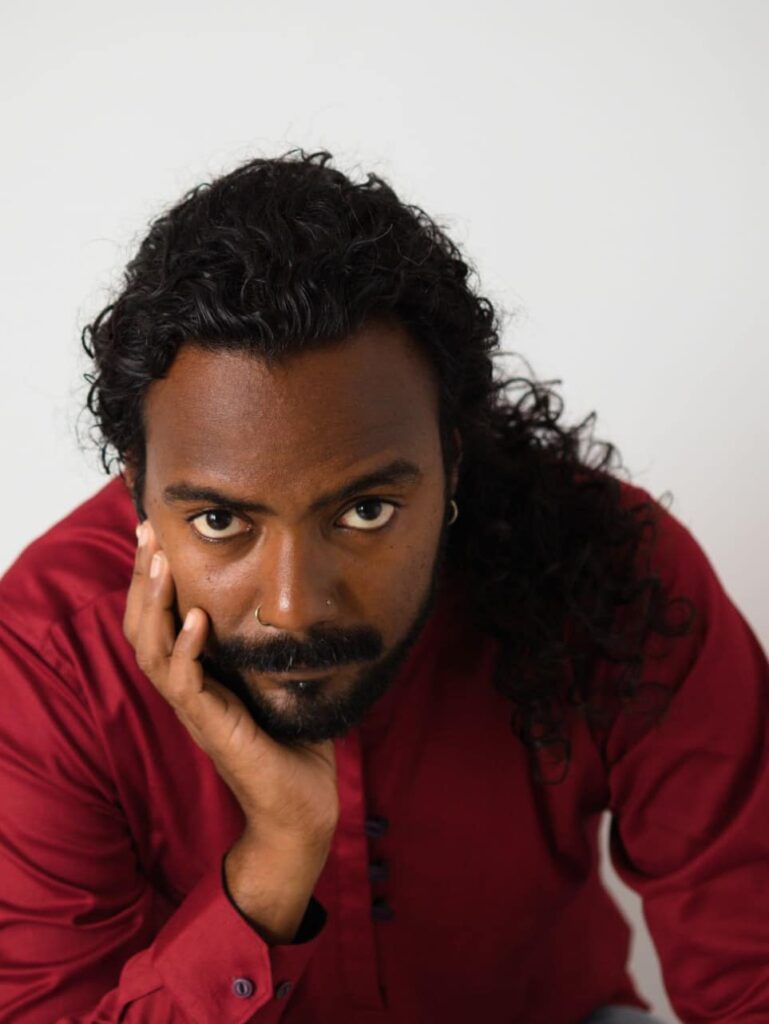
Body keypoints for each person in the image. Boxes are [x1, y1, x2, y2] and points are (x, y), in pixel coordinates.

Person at [0, 152, 766, 1024]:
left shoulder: (609, 568)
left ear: (452, 462)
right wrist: (277, 855)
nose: (293, 607)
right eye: (219, 521)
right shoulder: (47, 660)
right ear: (137, 487)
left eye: (365, 511)